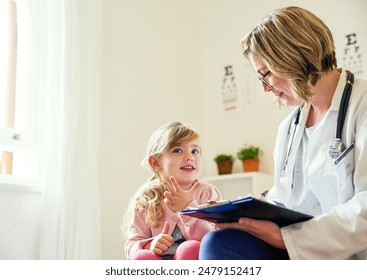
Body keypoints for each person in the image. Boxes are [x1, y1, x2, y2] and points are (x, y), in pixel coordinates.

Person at [199, 6, 367, 260]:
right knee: (220, 242)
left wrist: (289, 238)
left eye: (265, 74)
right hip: (293, 246)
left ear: (294, 56)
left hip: (345, 254)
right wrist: (248, 212)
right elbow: (287, 196)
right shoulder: (289, 127)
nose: (265, 88)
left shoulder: (361, 106)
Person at [123, 121, 222, 260]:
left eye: (195, 151)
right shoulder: (145, 198)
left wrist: (188, 207)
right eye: (177, 150)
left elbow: (212, 240)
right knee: (141, 257)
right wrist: (149, 245)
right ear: (155, 163)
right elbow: (131, 246)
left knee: (191, 248)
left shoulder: (207, 192)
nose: (189, 157)